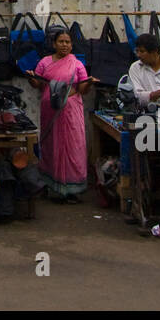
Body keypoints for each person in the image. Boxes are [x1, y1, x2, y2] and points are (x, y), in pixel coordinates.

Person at [25, 30, 99, 202]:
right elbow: (38, 84)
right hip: (50, 110)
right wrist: (30, 78)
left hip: (71, 112)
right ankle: (51, 187)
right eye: (61, 41)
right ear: (54, 44)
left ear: (72, 45)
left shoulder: (77, 64)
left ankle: (72, 189)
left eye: (67, 42)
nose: (64, 45)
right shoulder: (45, 62)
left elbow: (82, 89)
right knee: (51, 146)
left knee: (73, 147)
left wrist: (88, 83)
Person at [125, 33, 160, 106]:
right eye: (137, 51)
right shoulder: (135, 67)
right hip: (147, 111)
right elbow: (138, 96)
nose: (138, 55)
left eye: (142, 51)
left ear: (155, 51)